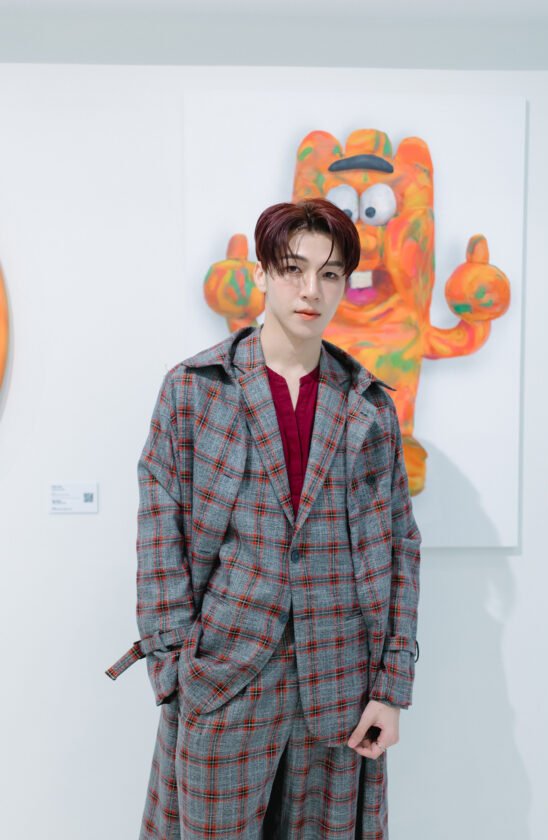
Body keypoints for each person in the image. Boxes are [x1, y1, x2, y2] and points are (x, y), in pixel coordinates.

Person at [106, 197, 422, 839]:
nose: (311, 290)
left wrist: (391, 687)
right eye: (293, 269)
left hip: (340, 686)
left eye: (329, 274)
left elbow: (400, 549)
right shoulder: (195, 389)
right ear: (262, 274)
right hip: (223, 679)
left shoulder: (367, 405)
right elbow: (160, 533)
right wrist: (174, 672)